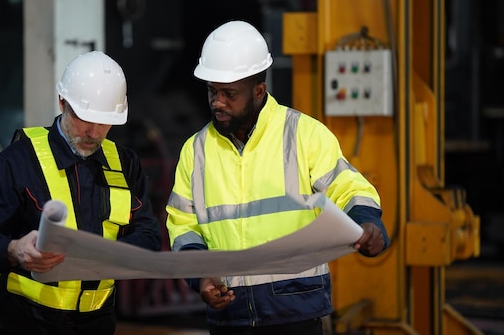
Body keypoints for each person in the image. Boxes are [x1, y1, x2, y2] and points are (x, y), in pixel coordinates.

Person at [165, 20, 390, 335]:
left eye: (229, 93)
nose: (218, 102)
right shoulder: (196, 150)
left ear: (259, 90)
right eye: (212, 91)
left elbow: (349, 187)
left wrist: (368, 222)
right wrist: (200, 276)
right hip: (231, 316)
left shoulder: (302, 134)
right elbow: (183, 227)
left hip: (296, 313)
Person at [0, 51, 162, 335]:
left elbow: (149, 236)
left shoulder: (125, 163)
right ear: (62, 102)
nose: (93, 132)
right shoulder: (18, 160)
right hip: (25, 322)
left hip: (97, 324)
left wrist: (118, 254)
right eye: (83, 118)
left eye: (104, 122)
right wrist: (14, 250)